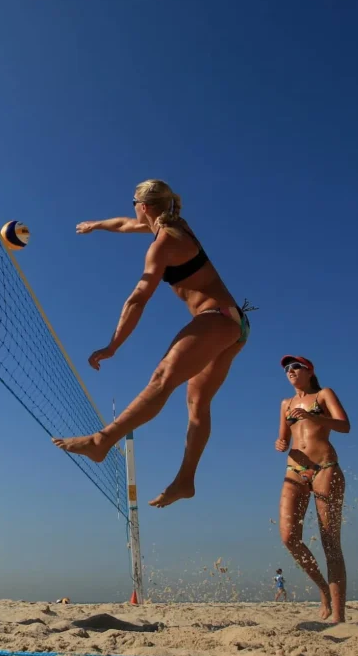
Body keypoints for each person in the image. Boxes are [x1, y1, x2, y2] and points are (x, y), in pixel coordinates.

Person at [53, 180, 252, 507]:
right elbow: (124, 223)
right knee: (197, 404)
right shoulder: (176, 226)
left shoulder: (162, 244)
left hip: (216, 318)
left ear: (143, 206)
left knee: (162, 378)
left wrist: (112, 346)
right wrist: (97, 225)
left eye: (133, 202)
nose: (132, 209)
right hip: (235, 324)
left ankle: (101, 441)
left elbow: (137, 300)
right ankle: (185, 481)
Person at [274, 355, 350, 623]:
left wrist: (312, 417)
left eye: (295, 366)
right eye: (286, 368)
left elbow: (345, 425)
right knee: (288, 538)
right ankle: (323, 590)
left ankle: (339, 617)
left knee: (330, 542)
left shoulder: (323, 395)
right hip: (294, 469)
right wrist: (280, 443)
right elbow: (284, 436)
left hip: (325, 467)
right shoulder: (286, 403)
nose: (290, 371)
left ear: (308, 371)